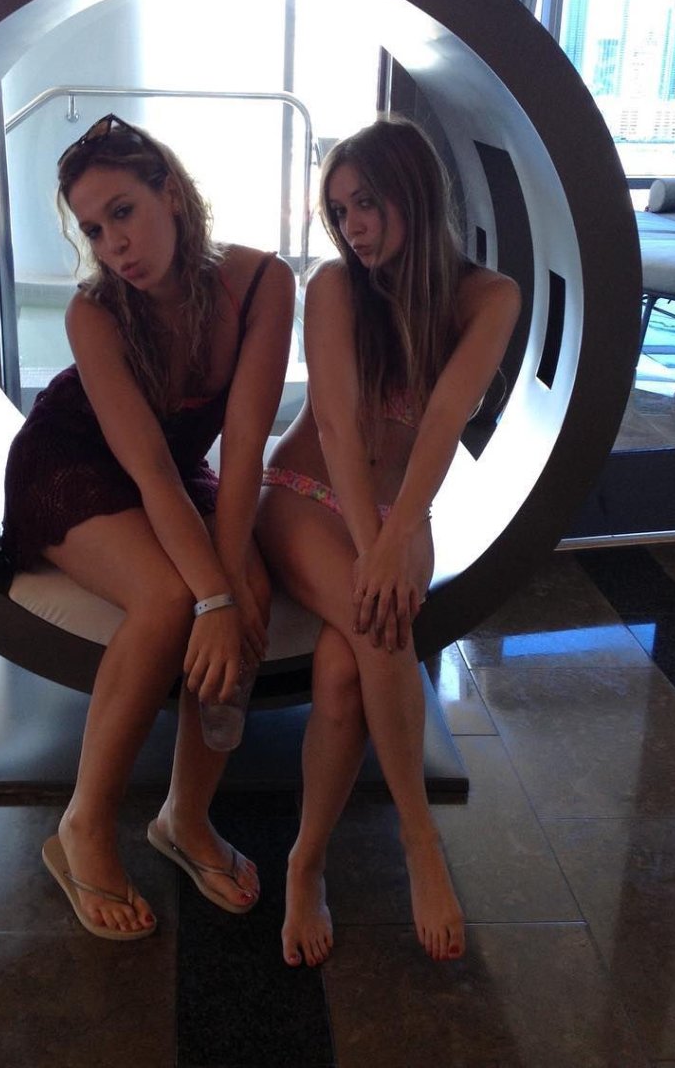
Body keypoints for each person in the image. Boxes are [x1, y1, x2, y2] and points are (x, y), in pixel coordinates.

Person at [2, 114, 295, 940]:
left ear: (170, 191)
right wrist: (210, 598)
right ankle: (83, 827)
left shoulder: (262, 283)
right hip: (70, 463)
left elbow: (243, 451)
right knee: (173, 600)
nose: (114, 246)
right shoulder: (94, 312)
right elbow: (151, 472)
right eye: (94, 229)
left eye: (123, 211)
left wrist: (232, 588)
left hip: (177, 468)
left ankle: (184, 818)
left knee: (251, 589)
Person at [256, 114, 520, 967]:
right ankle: (419, 840)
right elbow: (335, 426)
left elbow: (444, 420)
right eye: (340, 211)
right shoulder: (336, 286)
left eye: (367, 203)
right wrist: (374, 549)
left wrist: (398, 533)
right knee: (379, 629)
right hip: (305, 496)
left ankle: (305, 861)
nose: (354, 227)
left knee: (343, 671)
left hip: (405, 509)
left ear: (415, 192)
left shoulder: (489, 298)